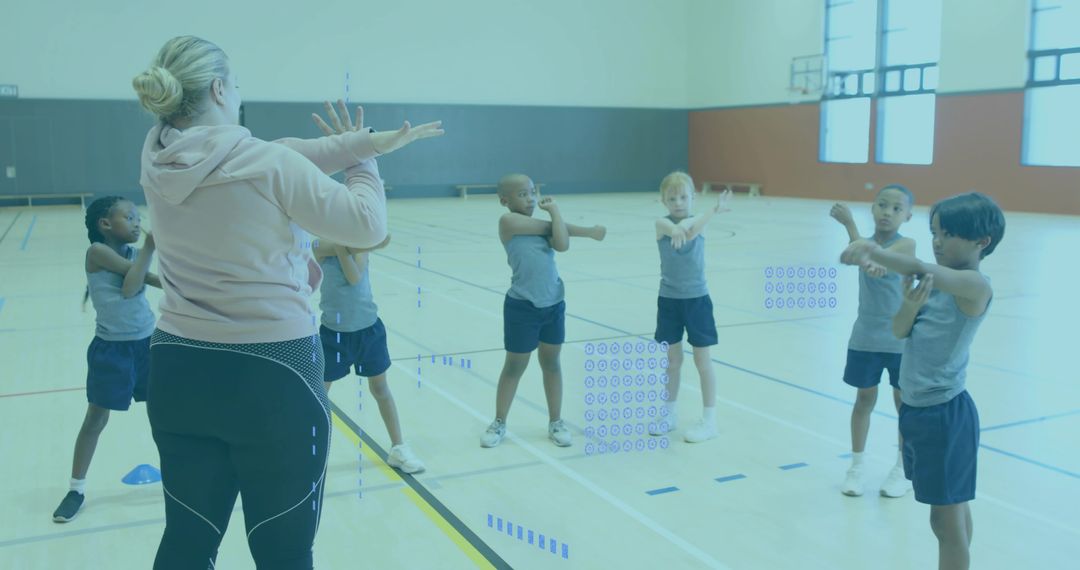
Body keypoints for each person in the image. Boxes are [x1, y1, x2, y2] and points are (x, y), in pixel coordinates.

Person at [133, 35, 442, 569]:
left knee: (187, 542)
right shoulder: (265, 163)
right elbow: (367, 226)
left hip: (178, 368)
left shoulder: (158, 154)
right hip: (273, 374)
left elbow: (275, 152)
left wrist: (363, 141)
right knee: (284, 553)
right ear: (220, 89)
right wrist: (364, 159)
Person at [841, 192, 1005, 570]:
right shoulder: (932, 285)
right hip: (917, 413)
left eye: (948, 234)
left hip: (944, 415)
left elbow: (916, 264)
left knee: (945, 523)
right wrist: (911, 304)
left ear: (981, 242)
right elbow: (900, 331)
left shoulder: (974, 286)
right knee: (951, 515)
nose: (937, 242)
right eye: (935, 233)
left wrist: (871, 249)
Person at [52, 197, 161, 523]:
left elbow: (146, 278)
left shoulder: (131, 253)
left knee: (164, 414)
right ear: (105, 224)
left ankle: (182, 477)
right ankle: (76, 489)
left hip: (147, 345)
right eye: (129, 217)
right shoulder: (97, 252)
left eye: (137, 217)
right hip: (112, 350)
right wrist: (150, 248)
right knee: (96, 420)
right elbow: (131, 287)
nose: (137, 222)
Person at [480, 174, 606, 448]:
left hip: (553, 305)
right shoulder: (508, 222)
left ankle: (556, 421)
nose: (530, 199)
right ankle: (499, 421)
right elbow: (548, 228)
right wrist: (588, 231)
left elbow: (562, 244)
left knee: (551, 363)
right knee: (515, 366)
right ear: (505, 201)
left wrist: (556, 211)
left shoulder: (547, 225)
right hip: (522, 307)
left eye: (532, 192)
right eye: (522, 194)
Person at [829, 185, 916, 497]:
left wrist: (864, 251)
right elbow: (860, 252)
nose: (887, 212)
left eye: (896, 208)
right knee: (863, 400)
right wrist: (850, 226)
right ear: (873, 208)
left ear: (908, 215)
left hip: (899, 341)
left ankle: (902, 470)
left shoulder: (907, 245)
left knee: (903, 404)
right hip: (865, 338)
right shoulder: (864, 243)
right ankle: (856, 467)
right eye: (882, 205)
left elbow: (875, 255)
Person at [648, 172, 730, 443]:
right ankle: (669, 413)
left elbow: (691, 229)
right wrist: (676, 229)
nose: (678, 203)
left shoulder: (698, 224)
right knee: (673, 361)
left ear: (693, 197)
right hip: (669, 301)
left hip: (697, 301)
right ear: (663, 201)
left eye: (684, 197)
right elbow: (670, 228)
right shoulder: (661, 224)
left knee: (702, 361)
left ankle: (709, 420)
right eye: (672, 199)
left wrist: (713, 210)